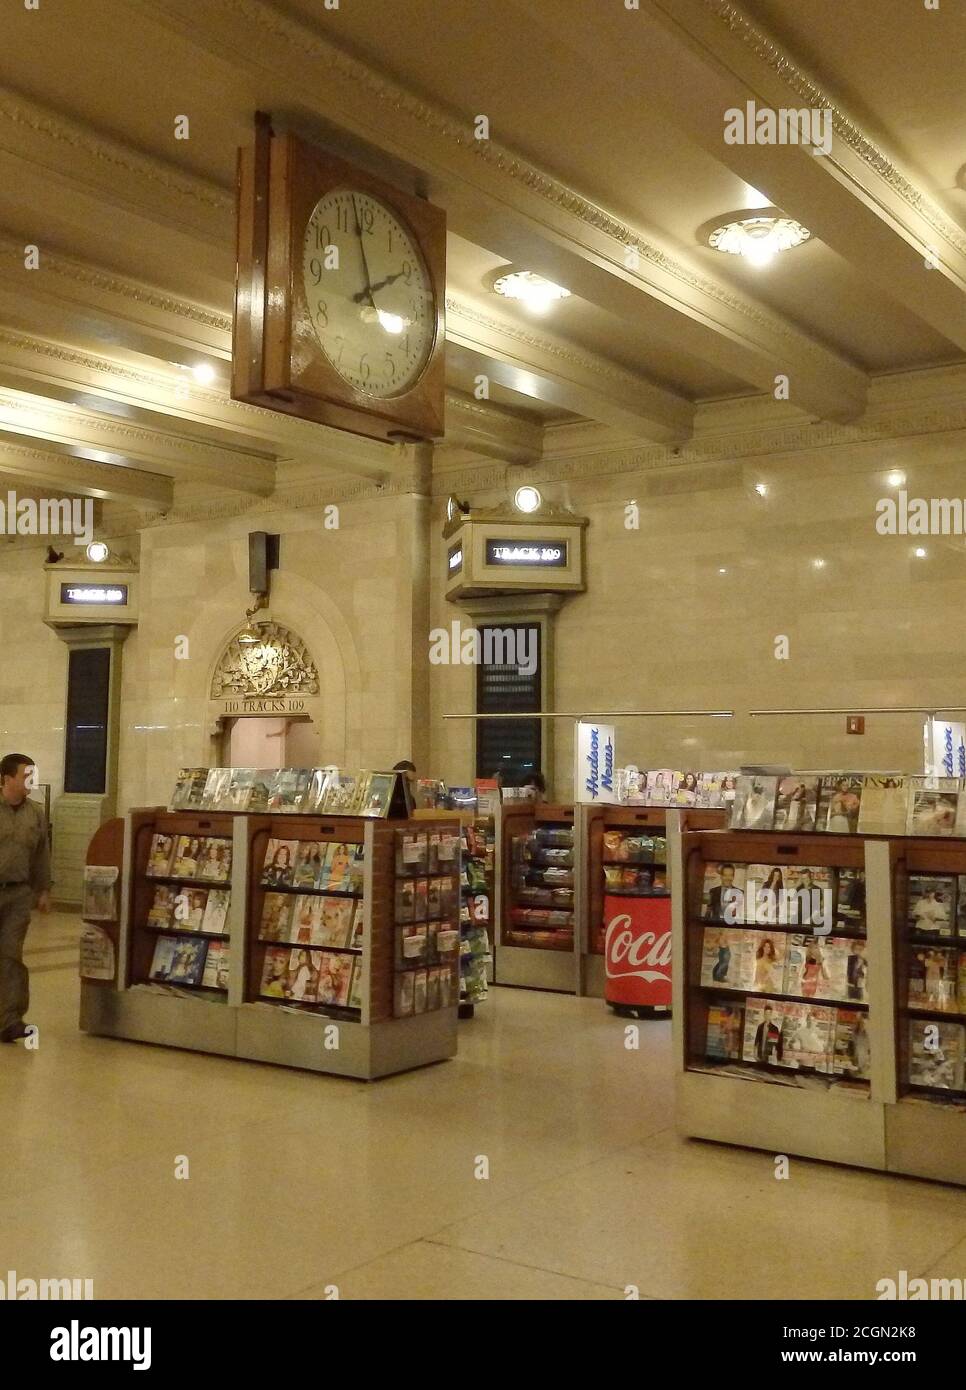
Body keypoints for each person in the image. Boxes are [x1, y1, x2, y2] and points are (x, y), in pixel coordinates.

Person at [0, 754, 51, 1043]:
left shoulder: (36, 813)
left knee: (11, 956)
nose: (31, 780)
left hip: (19, 894)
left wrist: (43, 889)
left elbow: (42, 853)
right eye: (25, 775)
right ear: (7, 779)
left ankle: (10, 1020)